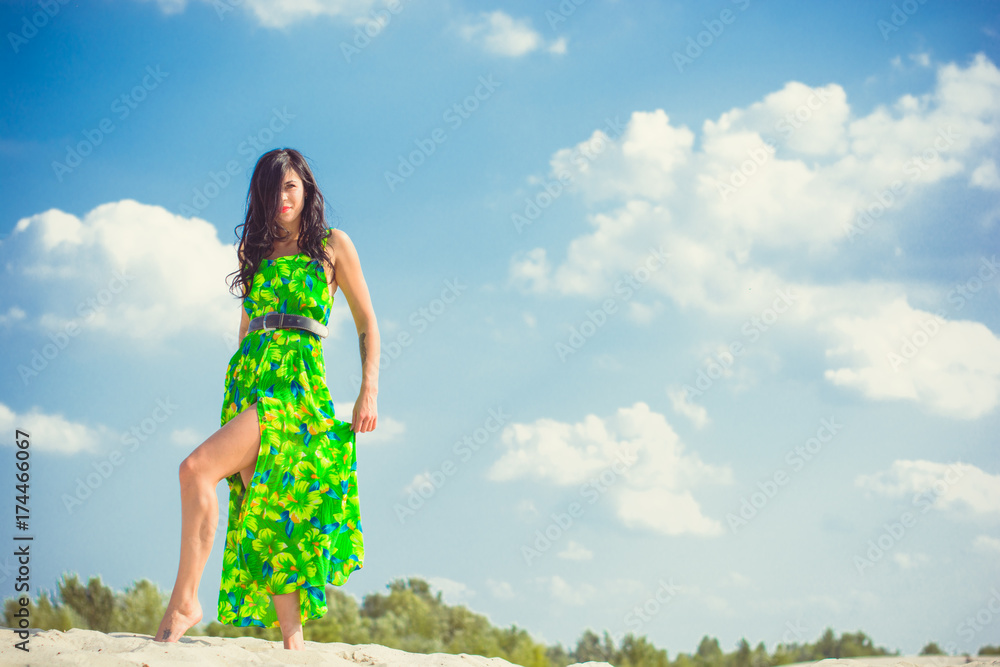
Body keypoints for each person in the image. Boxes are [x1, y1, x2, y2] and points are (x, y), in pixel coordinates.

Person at [154, 148, 379, 650]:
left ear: (307, 189)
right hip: (250, 382)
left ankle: (185, 602)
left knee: (195, 470)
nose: (283, 198)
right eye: (273, 189)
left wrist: (369, 390)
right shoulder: (252, 251)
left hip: (297, 389)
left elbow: (367, 322)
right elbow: (245, 329)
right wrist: (237, 401)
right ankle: (293, 648)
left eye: (291, 186)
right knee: (268, 512)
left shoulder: (333, 245)